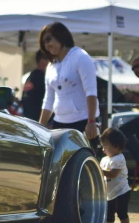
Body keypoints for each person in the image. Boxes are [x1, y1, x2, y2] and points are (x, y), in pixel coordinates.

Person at [37, 22, 100, 151]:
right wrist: (39, 128)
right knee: (58, 165)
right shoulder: (51, 66)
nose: (47, 45)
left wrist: (91, 122)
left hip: (83, 122)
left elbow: (91, 92)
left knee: (85, 164)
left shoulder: (81, 57)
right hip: (59, 123)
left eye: (49, 39)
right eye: (44, 42)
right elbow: (48, 100)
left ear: (61, 36)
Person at [99, 128, 131, 223]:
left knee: (121, 212)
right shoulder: (104, 159)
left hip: (121, 191)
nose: (103, 150)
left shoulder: (119, 159)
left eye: (105, 147)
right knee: (109, 212)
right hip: (110, 193)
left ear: (116, 146)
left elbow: (113, 174)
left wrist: (98, 171)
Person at [21, 50, 48, 121]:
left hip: (28, 119)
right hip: (37, 121)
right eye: (50, 59)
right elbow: (48, 102)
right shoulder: (41, 78)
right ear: (42, 61)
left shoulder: (31, 76)